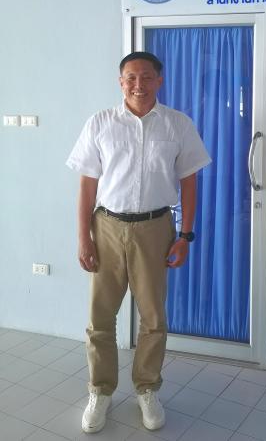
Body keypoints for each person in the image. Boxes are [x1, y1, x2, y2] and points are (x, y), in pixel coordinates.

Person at [66, 51, 211, 433]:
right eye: (130, 77)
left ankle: (147, 389)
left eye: (146, 77)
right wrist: (83, 238)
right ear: (120, 82)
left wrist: (185, 235)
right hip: (107, 227)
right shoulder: (100, 123)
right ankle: (100, 390)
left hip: (155, 228)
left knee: (153, 318)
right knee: (100, 317)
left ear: (159, 81)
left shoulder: (178, 124)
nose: (138, 84)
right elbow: (87, 185)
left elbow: (189, 183)